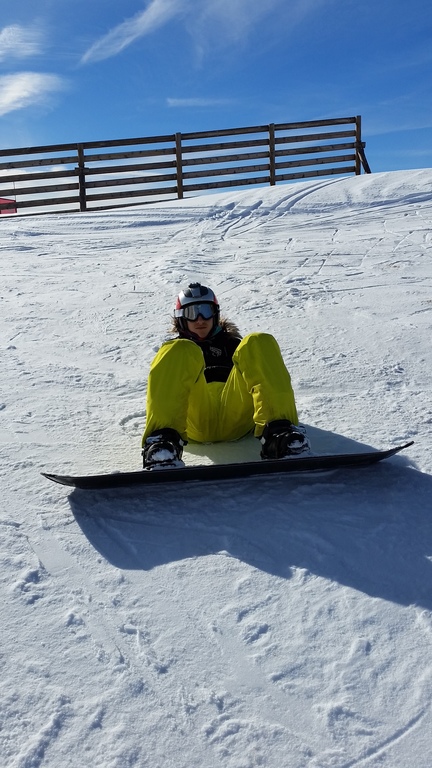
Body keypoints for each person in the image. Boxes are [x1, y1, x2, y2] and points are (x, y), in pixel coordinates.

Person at [141, 282, 311, 469]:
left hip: (236, 415)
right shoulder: (176, 353)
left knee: (257, 341)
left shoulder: (235, 345)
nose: (200, 319)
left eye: (205, 311)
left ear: (215, 314)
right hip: (195, 419)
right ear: (181, 318)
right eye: (192, 313)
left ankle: (280, 436)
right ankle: (163, 444)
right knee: (176, 349)